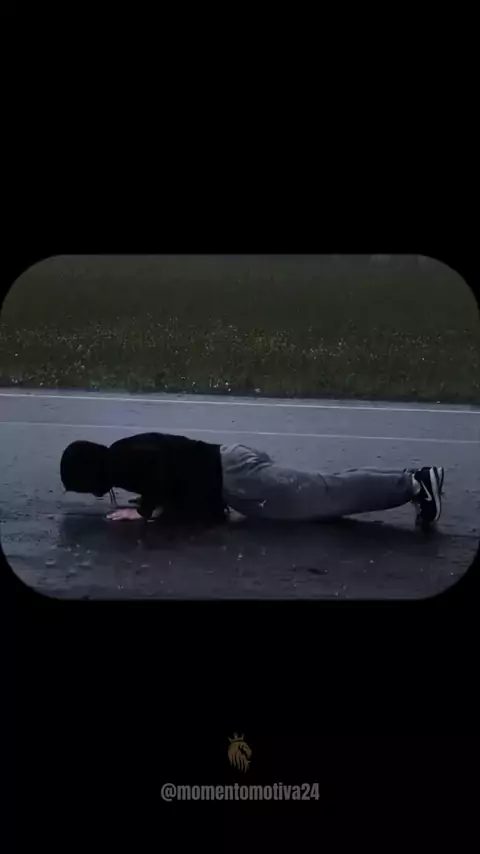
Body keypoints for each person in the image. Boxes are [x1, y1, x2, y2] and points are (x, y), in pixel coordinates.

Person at [60, 432, 444, 530]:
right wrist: (155, 501)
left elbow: (161, 466)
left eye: (84, 486)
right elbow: (171, 470)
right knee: (323, 492)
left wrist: (145, 511)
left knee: (325, 493)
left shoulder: (122, 461)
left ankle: (415, 484)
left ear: (89, 474)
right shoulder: (123, 452)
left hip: (236, 477)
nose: (93, 493)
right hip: (232, 467)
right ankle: (409, 482)